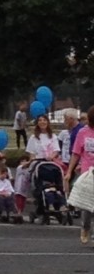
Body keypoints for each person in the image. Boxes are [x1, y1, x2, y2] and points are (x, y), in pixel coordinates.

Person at [64, 104, 94, 245]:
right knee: (87, 205)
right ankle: (85, 227)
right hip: (87, 172)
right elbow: (76, 154)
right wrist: (69, 171)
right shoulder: (83, 132)